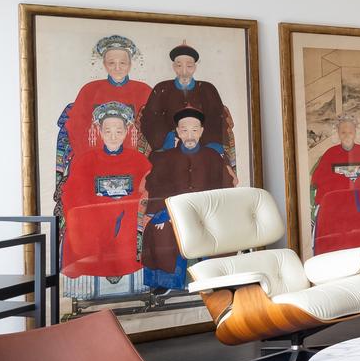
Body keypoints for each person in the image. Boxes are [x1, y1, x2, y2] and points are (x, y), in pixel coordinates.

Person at [53, 34, 151, 225]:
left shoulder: (144, 91)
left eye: (123, 62)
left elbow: (152, 128)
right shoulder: (90, 90)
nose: (117, 67)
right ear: (104, 64)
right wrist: (92, 159)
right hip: (95, 162)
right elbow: (76, 127)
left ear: (130, 63)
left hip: (134, 163)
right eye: (111, 62)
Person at [138, 108, 237, 293]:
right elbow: (157, 188)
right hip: (174, 212)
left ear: (201, 131)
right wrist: (164, 214)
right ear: (177, 132)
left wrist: (216, 209)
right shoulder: (164, 159)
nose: (189, 135)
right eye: (184, 130)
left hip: (209, 210)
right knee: (161, 231)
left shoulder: (213, 157)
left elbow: (226, 186)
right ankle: (165, 282)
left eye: (194, 130)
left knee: (223, 231)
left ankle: (217, 277)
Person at [59, 102, 152, 279]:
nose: (113, 136)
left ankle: (125, 265)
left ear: (126, 132)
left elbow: (149, 187)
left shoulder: (139, 160)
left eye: (118, 131)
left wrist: (129, 204)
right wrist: (97, 206)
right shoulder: (85, 160)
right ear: (100, 132)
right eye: (108, 131)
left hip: (128, 212)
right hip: (96, 212)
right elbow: (72, 192)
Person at [140, 42, 235, 157]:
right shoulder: (161, 88)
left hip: (204, 144)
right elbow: (150, 118)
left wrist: (211, 144)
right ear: (174, 67)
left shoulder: (208, 89)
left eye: (189, 66)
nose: (184, 71)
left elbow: (216, 117)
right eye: (179, 66)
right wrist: (167, 139)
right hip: (170, 146)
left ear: (195, 67)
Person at [309, 115, 360, 255]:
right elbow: (318, 179)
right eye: (343, 132)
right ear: (338, 134)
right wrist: (341, 182)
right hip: (336, 208)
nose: (347, 135)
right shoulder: (330, 154)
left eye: (350, 132)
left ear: (355, 133)